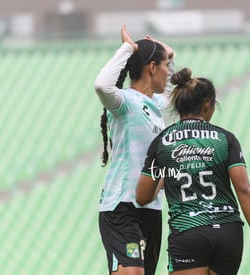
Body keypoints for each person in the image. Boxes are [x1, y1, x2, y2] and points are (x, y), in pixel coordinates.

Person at [136, 68, 250, 275]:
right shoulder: (226, 139)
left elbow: (142, 196)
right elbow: (243, 188)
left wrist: (167, 175)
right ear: (207, 105)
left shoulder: (162, 142)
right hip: (228, 231)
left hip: (189, 230)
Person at [94, 25, 175, 275]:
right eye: (164, 66)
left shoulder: (156, 104)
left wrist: (167, 53)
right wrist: (128, 48)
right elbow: (101, 86)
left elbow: (175, 87)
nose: (168, 72)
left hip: (151, 209)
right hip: (122, 207)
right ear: (152, 68)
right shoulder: (125, 102)